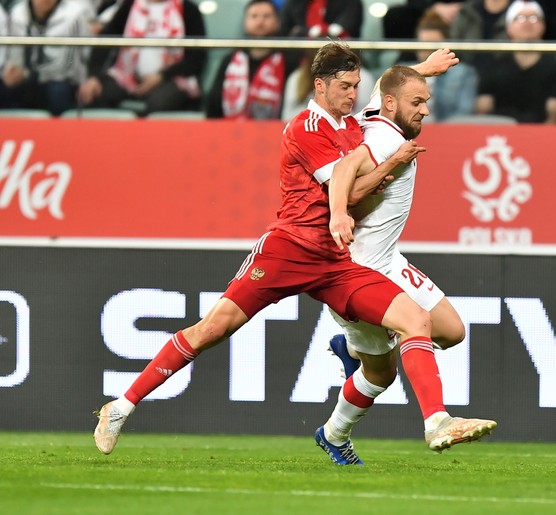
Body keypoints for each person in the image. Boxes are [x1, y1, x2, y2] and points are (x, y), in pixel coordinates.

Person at [94, 42, 495, 465]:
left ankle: (435, 422)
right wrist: (387, 167)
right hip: (290, 249)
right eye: (344, 86)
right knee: (213, 328)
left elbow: (387, 87)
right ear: (320, 85)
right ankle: (121, 406)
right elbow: (348, 187)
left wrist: (424, 68)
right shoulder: (305, 128)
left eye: (356, 85)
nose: (353, 94)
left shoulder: (355, 120)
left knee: (417, 321)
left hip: (335, 262)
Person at [319, 65, 496, 465]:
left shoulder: (375, 112)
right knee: (388, 365)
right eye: (417, 102)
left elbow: (388, 79)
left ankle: (352, 350)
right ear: (391, 104)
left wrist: (424, 69)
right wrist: (338, 213)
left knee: (452, 331)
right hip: (358, 272)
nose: (425, 111)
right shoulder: (384, 139)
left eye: (426, 102)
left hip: (388, 260)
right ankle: (432, 422)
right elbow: (344, 170)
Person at [77, 0, 206, 116]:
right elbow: (104, 42)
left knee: (159, 104)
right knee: (94, 93)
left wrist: (161, 76)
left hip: (172, 79)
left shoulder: (188, 9)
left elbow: (197, 58)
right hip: (128, 77)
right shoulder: (130, 5)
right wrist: (95, 77)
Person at [475, 0, 556, 123]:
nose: (527, 23)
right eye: (520, 18)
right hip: (502, 131)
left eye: (533, 18)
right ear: (509, 27)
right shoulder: (493, 67)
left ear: (543, 26)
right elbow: (483, 110)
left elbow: (554, 115)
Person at [205, 0, 298, 119]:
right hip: (228, 128)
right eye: (254, 16)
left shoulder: (288, 61)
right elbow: (213, 106)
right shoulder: (229, 60)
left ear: (277, 22)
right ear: (245, 22)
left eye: (266, 16)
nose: (260, 22)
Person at [2, 0, 93, 115]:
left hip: (65, 81)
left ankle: (59, 126)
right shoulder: (17, 14)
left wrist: (27, 74)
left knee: (57, 91)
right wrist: (12, 71)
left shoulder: (75, 15)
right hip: (27, 79)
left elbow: (68, 66)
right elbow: (12, 54)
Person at [396, 9, 478, 122]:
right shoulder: (402, 72)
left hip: (447, 130)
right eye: (422, 44)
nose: (427, 49)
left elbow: (464, 113)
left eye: (432, 44)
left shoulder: (463, 73)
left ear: (446, 46)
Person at [279, 0, 362, 39]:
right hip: (302, 60)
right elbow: (284, 32)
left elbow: (348, 25)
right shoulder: (293, 3)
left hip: (342, 59)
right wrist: (310, 31)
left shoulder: (349, 2)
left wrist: (325, 31)